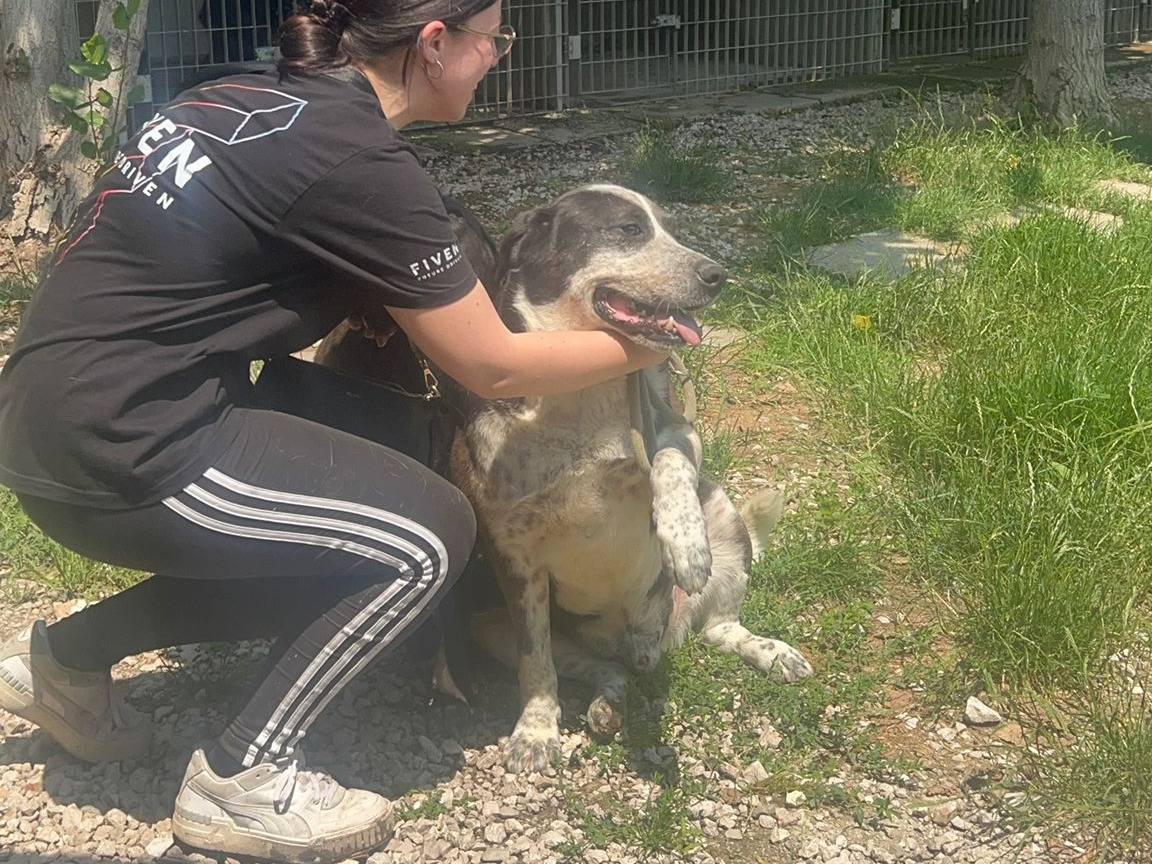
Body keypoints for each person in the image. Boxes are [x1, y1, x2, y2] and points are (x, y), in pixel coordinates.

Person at [0, 1, 668, 860]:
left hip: (48, 413)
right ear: (435, 44)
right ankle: (242, 779)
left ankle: (67, 661)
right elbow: (493, 367)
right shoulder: (362, 163)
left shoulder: (243, 94)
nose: (501, 55)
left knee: (406, 467)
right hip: (128, 446)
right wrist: (637, 349)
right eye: (494, 38)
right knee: (429, 533)